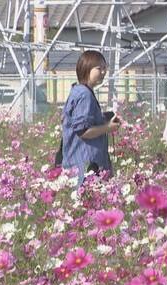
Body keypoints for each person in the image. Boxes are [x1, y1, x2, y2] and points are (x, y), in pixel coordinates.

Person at [61, 50, 122, 185]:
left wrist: (102, 119)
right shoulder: (84, 95)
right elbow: (83, 131)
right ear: (86, 68)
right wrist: (107, 127)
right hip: (85, 165)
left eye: (104, 68)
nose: (103, 72)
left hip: (83, 164)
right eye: (98, 68)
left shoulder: (80, 90)